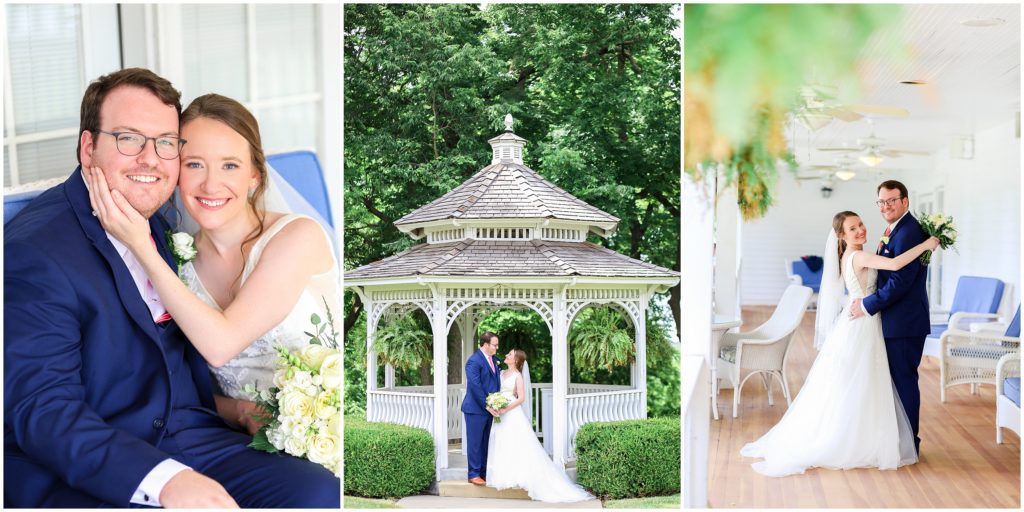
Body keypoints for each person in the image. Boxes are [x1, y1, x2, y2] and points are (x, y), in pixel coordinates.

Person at [4, 68, 338, 508]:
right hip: (108, 458)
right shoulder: (35, 251)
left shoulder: (163, 226)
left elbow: (177, 366)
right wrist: (164, 481)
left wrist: (236, 411)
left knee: (317, 494)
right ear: (89, 147)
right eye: (128, 138)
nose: (150, 159)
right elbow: (44, 412)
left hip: (198, 436)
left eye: (164, 142)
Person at [86, 92, 338, 435]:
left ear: (255, 175)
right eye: (194, 164)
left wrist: (139, 245)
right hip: (238, 438)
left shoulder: (297, 237)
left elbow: (221, 346)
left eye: (230, 165)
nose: (211, 184)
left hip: (331, 430)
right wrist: (236, 410)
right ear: (176, 172)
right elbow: (171, 381)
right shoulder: (177, 265)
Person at [740, 210, 939, 477]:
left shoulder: (849, 256)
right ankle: (856, 440)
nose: (860, 230)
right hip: (863, 324)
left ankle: (862, 435)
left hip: (858, 321)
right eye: (853, 229)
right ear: (842, 236)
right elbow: (894, 266)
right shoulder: (858, 255)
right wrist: (927, 244)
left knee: (858, 383)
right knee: (861, 382)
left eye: (860, 224)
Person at [849, 180, 932, 454]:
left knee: (904, 381)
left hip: (905, 322)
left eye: (891, 201)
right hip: (894, 320)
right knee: (895, 382)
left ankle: (910, 446)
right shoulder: (895, 229)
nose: (886, 206)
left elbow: (900, 281)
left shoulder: (909, 231)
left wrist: (867, 305)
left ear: (905, 201)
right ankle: (898, 441)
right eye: (881, 202)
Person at [486, 349, 593, 502]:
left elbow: (521, 398)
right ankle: (505, 473)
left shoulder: (518, 376)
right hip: (499, 413)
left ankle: (521, 475)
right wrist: (493, 404)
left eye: (510, 355)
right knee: (502, 441)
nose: (506, 356)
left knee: (516, 442)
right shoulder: (501, 373)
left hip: (511, 413)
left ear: (516, 360)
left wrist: (505, 408)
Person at [460, 332, 502, 486]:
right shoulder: (473, 361)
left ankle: (483, 473)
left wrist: (498, 402)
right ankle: (474, 474)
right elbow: (475, 386)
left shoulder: (494, 360)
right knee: (475, 442)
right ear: (485, 344)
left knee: (485, 442)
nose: (497, 347)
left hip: (490, 408)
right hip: (475, 409)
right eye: (494, 345)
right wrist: (488, 405)